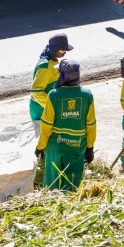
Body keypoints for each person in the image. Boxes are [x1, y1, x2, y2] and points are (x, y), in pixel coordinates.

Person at [35, 59, 96, 191]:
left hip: (55, 146)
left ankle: (51, 204)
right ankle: (69, 205)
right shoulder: (87, 95)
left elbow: (46, 125)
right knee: (72, 182)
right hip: (77, 145)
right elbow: (90, 124)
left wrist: (40, 146)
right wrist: (90, 147)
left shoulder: (54, 95)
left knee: (52, 181)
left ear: (63, 76)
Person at [29, 33, 74, 136]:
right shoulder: (45, 66)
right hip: (41, 110)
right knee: (44, 145)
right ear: (55, 49)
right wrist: (52, 107)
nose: (65, 53)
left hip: (47, 109)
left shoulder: (52, 61)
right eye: (63, 50)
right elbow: (36, 92)